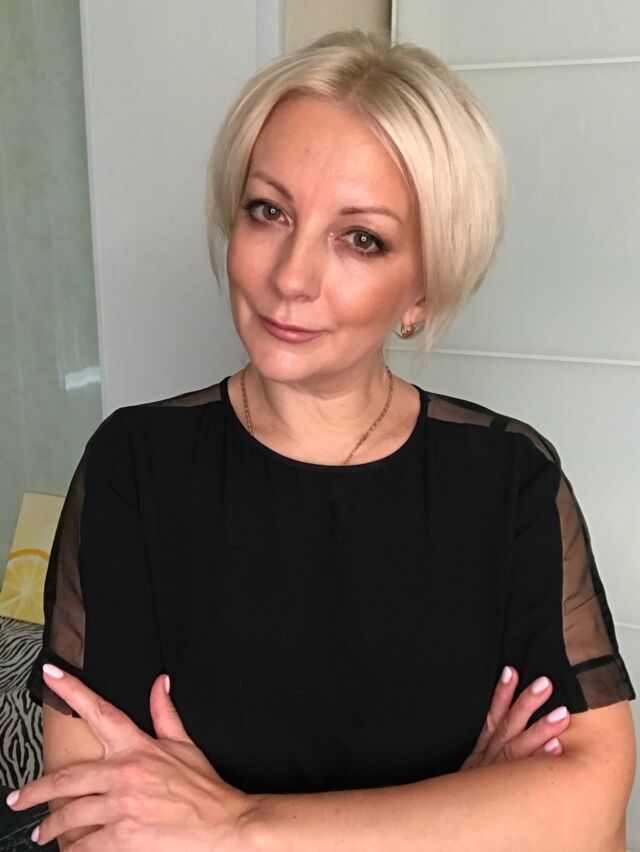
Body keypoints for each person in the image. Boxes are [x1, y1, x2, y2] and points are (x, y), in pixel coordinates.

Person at [8, 29, 635, 850]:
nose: (290, 276)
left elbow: (589, 815)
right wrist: (463, 812)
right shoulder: (136, 465)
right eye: (268, 211)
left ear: (422, 287)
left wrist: (238, 825)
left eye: (360, 237)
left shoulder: (509, 479)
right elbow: (98, 829)